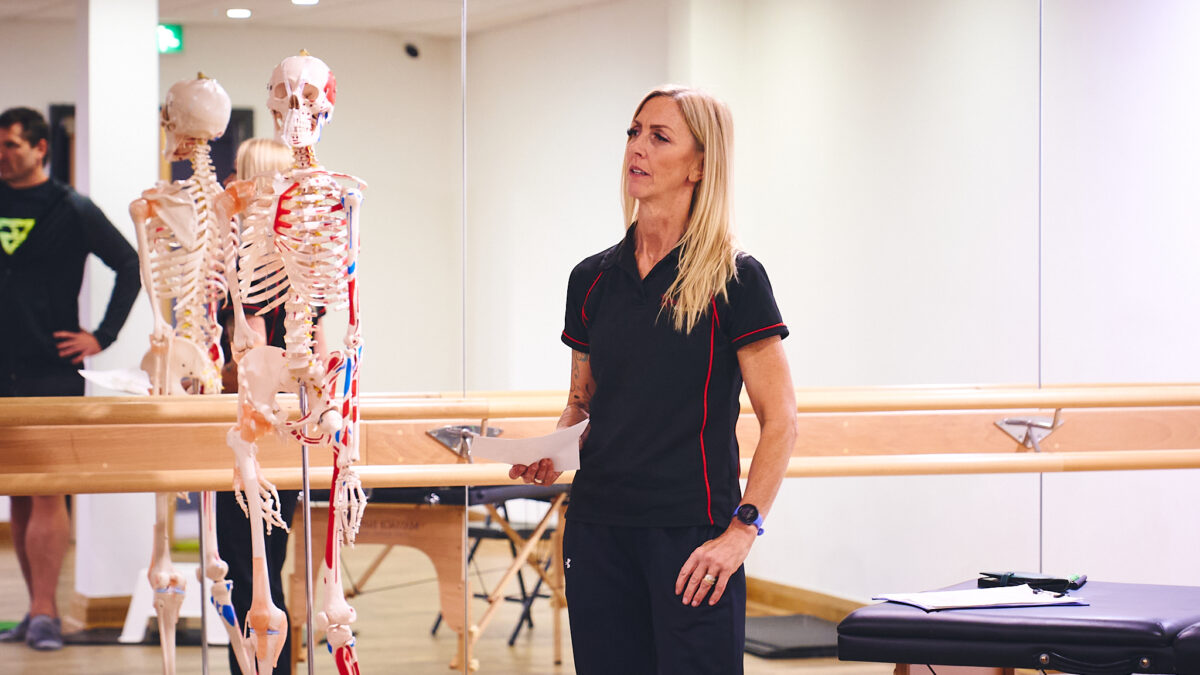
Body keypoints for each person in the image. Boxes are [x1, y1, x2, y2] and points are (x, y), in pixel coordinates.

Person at [510, 86, 798, 674]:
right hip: (597, 531)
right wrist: (554, 450)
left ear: (699, 164)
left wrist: (742, 531)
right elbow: (582, 405)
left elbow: (782, 419)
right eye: (633, 132)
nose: (637, 148)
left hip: (692, 537)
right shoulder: (590, 279)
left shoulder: (735, 279)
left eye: (659, 136)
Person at [0, 106, 141, 650]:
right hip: (1, 369)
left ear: (40, 148)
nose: (3, 155)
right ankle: (33, 609)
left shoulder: (71, 209)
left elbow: (129, 265)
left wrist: (101, 336)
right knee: (15, 492)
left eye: (12, 145)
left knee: (46, 491)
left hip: (49, 367)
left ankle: (46, 612)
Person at [216, 137, 324, 675]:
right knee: (247, 563)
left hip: (277, 428)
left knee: (259, 563)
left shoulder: (293, 272)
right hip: (255, 426)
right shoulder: (241, 267)